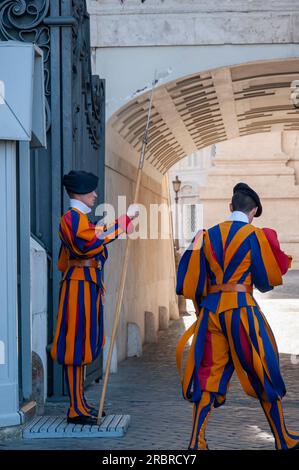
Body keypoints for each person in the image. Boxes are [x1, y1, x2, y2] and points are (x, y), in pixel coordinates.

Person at [176, 182, 299, 450]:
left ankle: (196, 441)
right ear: (253, 210)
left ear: (230, 206)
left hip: (212, 312)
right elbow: (266, 281)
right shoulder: (255, 236)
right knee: (262, 367)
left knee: (208, 374)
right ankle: (282, 438)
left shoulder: (206, 236)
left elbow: (190, 280)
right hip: (242, 310)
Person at [50, 170, 138, 425]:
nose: (95, 195)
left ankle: (80, 403)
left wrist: (123, 223)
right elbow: (88, 243)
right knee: (76, 344)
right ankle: (75, 408)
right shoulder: (71, 218)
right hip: (78, 284)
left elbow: (96, 238)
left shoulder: (81, 219)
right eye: (92, 191)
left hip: (87, 284)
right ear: (80, 191)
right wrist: (124, 221)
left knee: (85, 341)